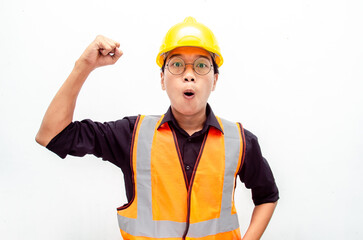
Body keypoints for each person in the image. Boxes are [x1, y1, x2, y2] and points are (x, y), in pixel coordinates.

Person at [36, 17, 279, 240]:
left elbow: (267, 196)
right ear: (162, 79)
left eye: (202, 66)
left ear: (215, 80)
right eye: (177, 65)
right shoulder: (132, 135)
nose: (189, 76)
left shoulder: (239, 141)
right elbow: (51, 135)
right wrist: (84, 65)